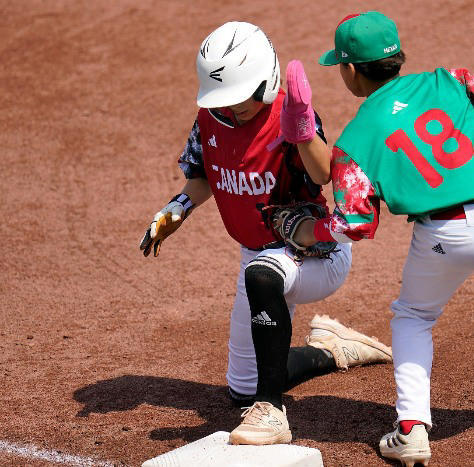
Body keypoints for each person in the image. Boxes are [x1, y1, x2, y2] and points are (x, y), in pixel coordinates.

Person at [283, 11, 474, 466]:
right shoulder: (449, 80)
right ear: (396, 55)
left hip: (445, 233)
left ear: (351, 70)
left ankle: (412, 428)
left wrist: (303, 229)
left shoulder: (355, 138)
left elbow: (353, 223)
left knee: (413, 316)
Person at [139, 21, 392, 446]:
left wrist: (301, 129)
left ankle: (272, 411)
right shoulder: (211, 118)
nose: (231, 109)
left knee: (261, 276)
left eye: (240, 101)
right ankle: (331, 348)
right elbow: (203, 176)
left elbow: (322, 174)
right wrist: (177, 208)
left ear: (266, 83)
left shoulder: (289, 115)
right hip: (258, 254)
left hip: (314, 252)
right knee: (240, 389)